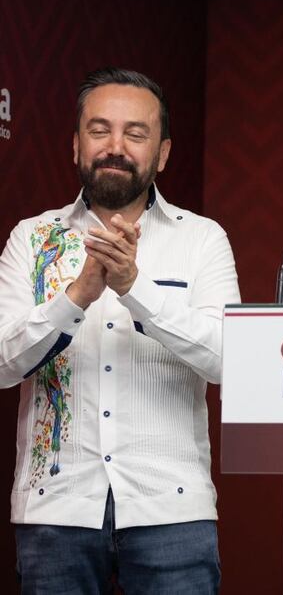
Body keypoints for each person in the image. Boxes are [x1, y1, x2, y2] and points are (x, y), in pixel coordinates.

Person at [0, 68, 240, 593]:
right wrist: (76, 296)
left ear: (163, 153)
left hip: (171, 506)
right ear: (75, 144)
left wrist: (135, 288)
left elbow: (231, 361)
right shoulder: (32, 238)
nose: (115, 147)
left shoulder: (202, 239)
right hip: (55, 508)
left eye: (135, 133)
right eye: (99, 130)